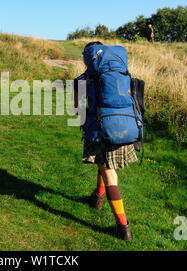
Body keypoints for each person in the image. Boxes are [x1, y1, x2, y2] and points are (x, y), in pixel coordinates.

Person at [75, 41, 138, 242]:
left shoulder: (82, 80)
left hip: (102, 130)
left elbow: (78, 111)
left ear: (88, 58)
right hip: (127, 126)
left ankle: (123, 227)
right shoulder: (122, 75)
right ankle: (97, 198)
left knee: (109, 173)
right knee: (104, 165)